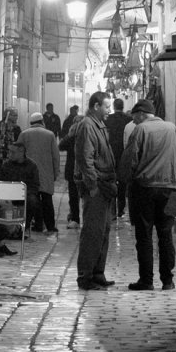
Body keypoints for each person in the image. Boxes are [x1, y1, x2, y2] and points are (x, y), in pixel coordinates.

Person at [120, 99, 176, 291]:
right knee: (165, 234)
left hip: (145, 188)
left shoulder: (141, 130)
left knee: (144, 235)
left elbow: (130, 159)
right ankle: (168, 281)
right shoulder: (172, 129)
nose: (134, 123)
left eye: (134, 119)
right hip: (169, 188)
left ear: (140, 114)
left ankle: (146, 280)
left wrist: (125, 180)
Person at [74, 91, 116, 291]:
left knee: (103, 231)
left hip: (105, 186)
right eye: (107, 107)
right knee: (92, 232)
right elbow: (85, 158)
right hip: (96, 186)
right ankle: (86, 276)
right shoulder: (87, 126)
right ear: (96, 106)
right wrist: (92, 186)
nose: (110, 111)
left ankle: (98, 273)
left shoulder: (99, 125)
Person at [17, 112, 60, 233]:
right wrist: (55, 172)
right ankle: (50, 226)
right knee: (47, 200)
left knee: (33, 199)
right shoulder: (50, 134)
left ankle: (38, 225)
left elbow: (18, 153)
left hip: (29, 173)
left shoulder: (24, 134)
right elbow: (55, 156)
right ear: (42, 122)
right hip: (47, 173)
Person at [0, 141, 40, 232]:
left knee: (33, 201)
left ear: (21, 152)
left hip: (25, 194)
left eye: (13, 152)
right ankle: (4, 228)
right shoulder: (6, 165)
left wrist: (23, 192)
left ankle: (24, 226)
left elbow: (35, 184)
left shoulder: (31, 166)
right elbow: (1, 182)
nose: (10, 154)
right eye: (9, 152)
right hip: (9, 194)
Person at [105, 98, 132, 218]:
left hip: (110, 155)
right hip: (124, 155)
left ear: (114, 106)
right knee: (122, 182)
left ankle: (112, 210)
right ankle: (121, 209)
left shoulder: (108, 120)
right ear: (122, 106)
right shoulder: (129, 120)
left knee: (111, 181)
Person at [59, 115, 84, 230]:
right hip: (73, 171)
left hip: (84, 171)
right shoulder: (72, 137)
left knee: (84, 196)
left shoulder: (87, 136)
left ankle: (80, 218)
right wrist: (70, 134)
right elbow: (61, 146)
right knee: (73, 196)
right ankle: (75, 218)